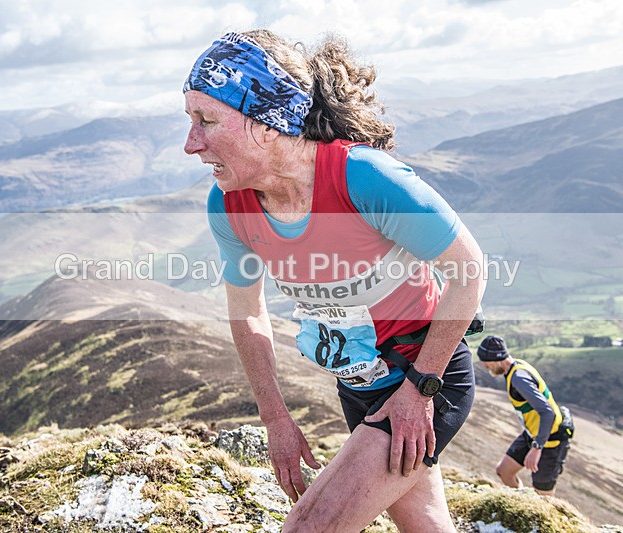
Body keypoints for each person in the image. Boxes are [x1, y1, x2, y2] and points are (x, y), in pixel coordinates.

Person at [183, 29, 485, 532]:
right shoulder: (229, 205)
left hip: (424, 374)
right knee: (425, 526)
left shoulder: (362, 177)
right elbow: (248, 311)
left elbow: (468, 271)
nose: (190, 143)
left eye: (206, 121)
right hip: (359, 384)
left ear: (266, 123)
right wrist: (275, 419)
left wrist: (419, 392)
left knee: (310, 527)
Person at [477, 335, 573, 496]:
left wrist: (537, 448)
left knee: (543, 494)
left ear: (497, 358)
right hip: (532, 433)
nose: (485, 366)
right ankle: (522, 503)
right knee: (504, 471)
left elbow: (547, 412)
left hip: (550, 438)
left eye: (486, 362)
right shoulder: (517, 367)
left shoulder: (519, 379)